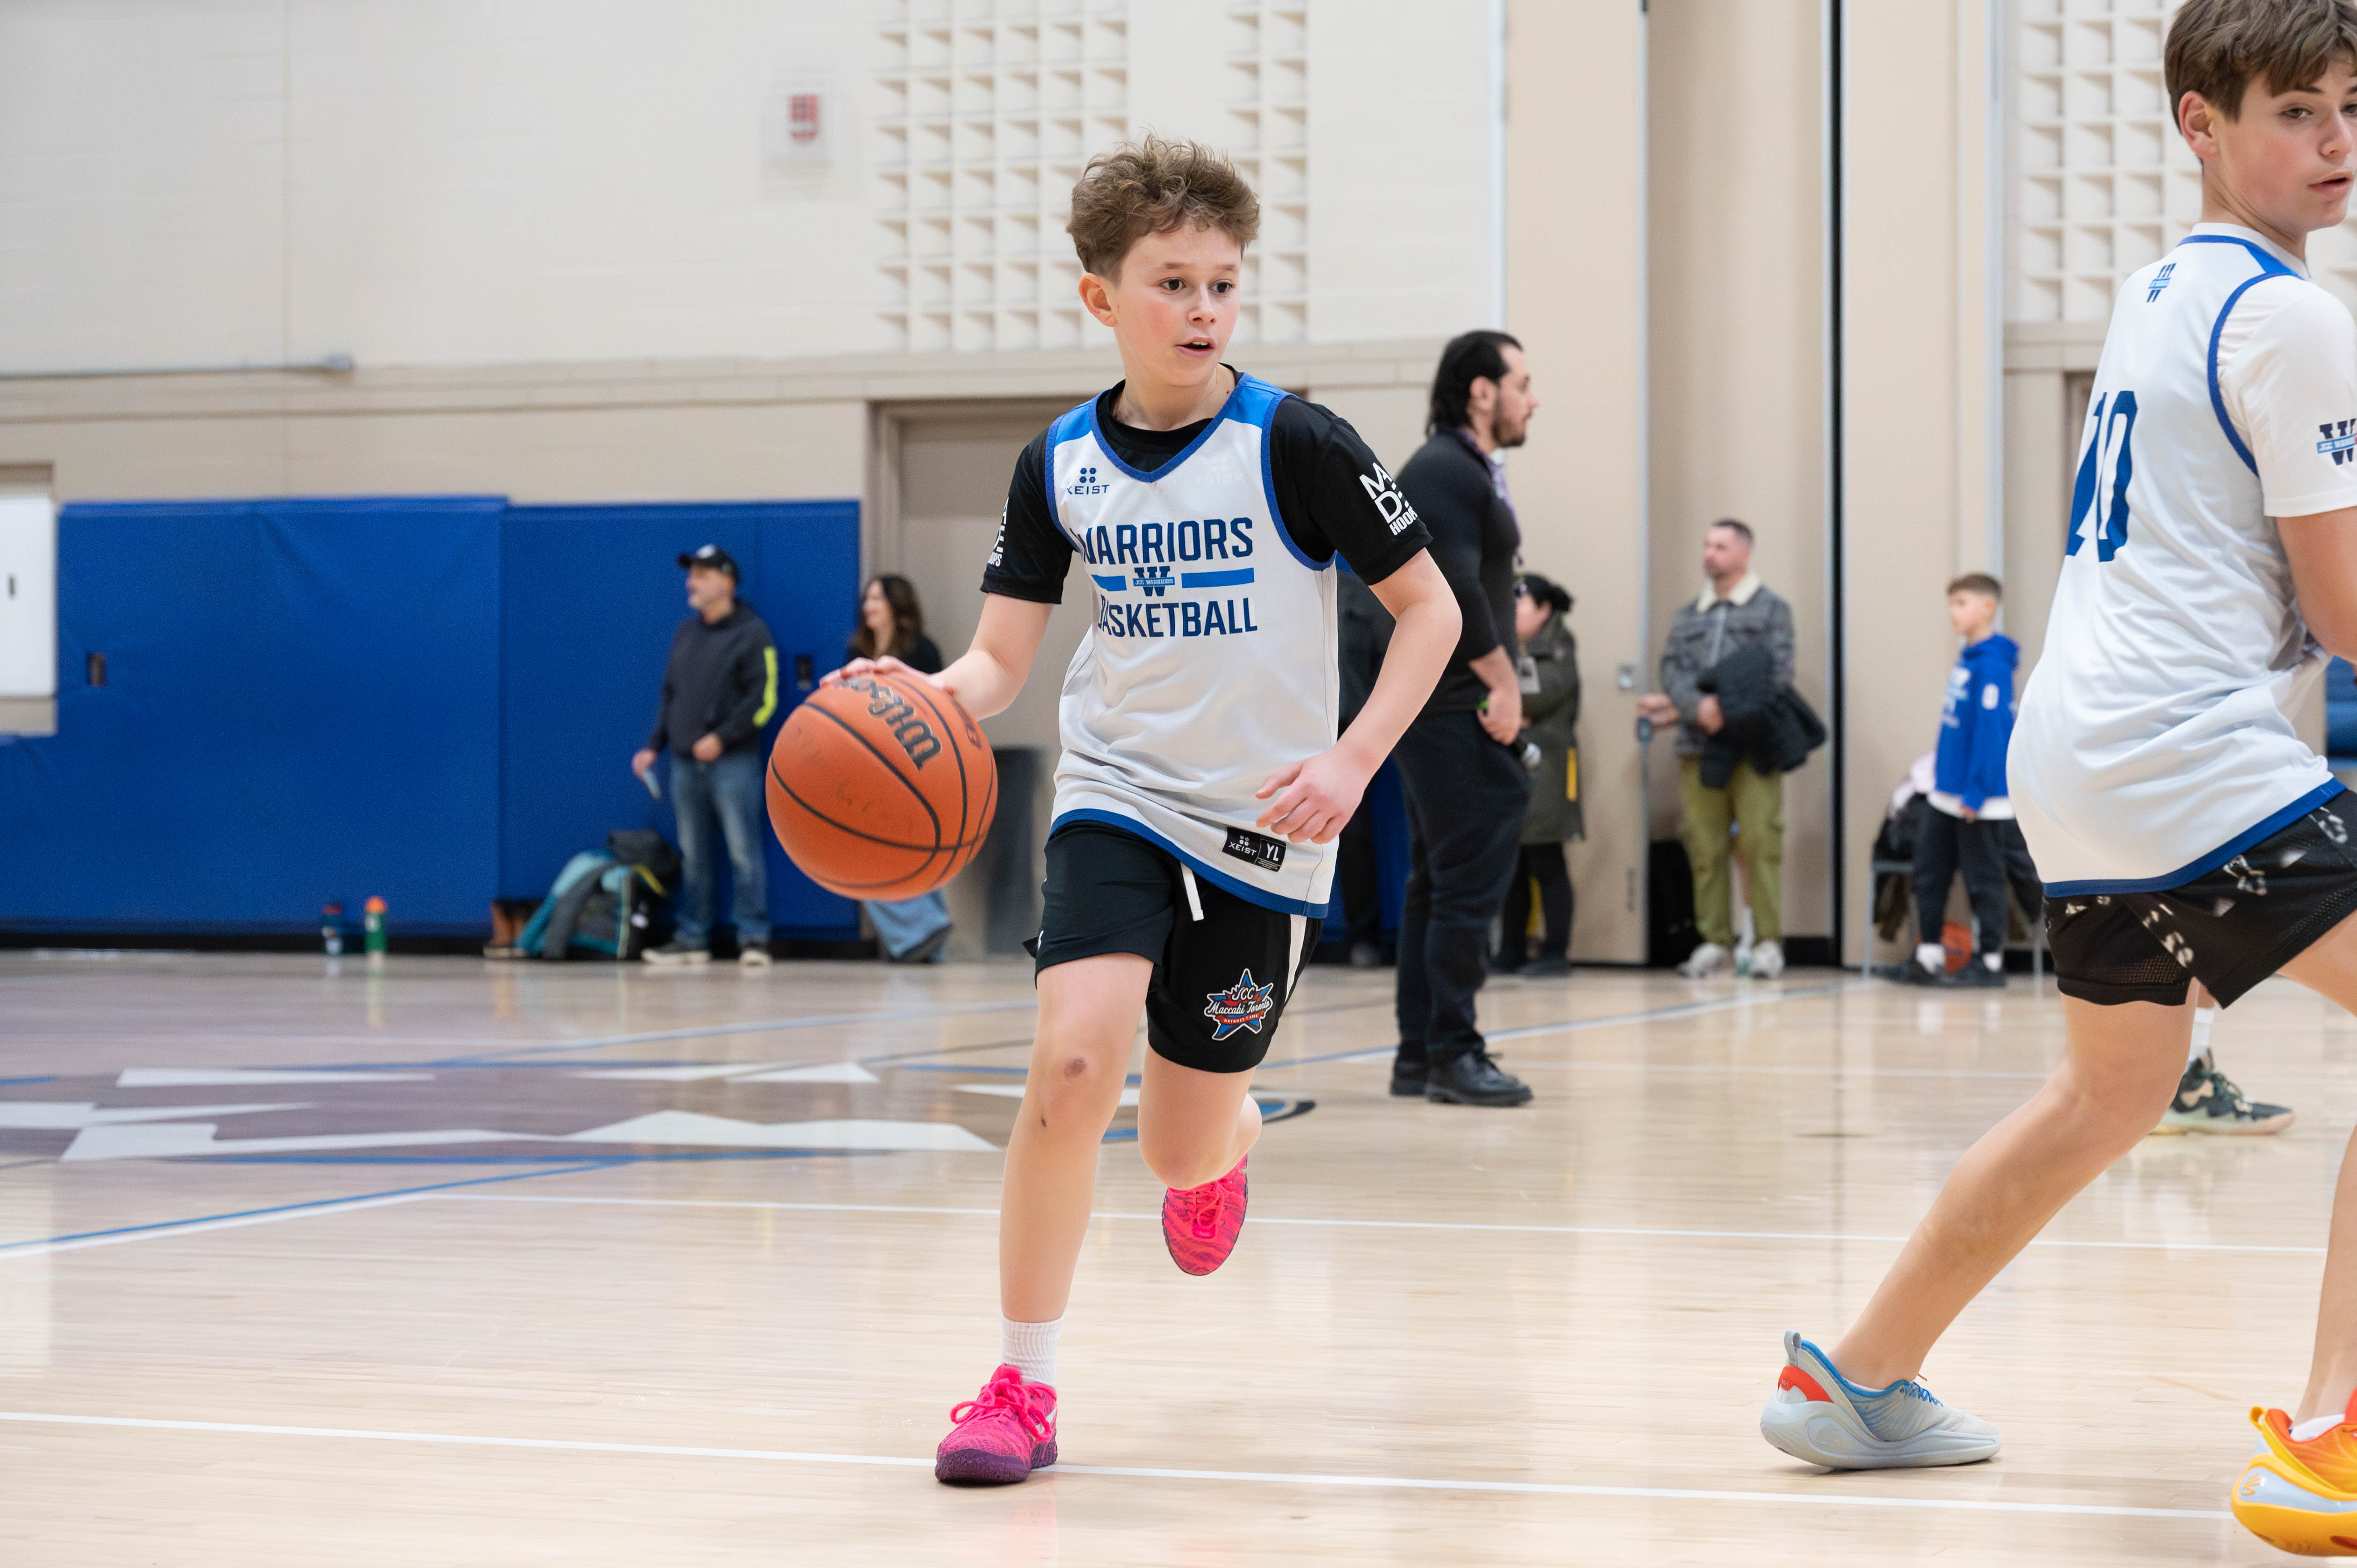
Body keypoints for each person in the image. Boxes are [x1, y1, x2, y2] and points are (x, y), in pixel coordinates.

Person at [1759, 10, 2357, 1552]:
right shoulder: (2294, 318)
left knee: (2108, 1092)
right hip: (2178, 746)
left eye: (2349, 107)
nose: (2334, 141)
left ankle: (1854, 1379)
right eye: (2295, 110)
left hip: (2073, 756)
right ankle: (2332, 1439)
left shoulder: (2159, 289)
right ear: (2195, 124)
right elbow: (2345, 611)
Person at [830, 137, 1459, 1487]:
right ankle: (1019, 1384)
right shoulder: (1057, 461)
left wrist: (1351, 763)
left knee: (1176, 1144)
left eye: (1221, 284)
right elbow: (1000, 662)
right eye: (1169, 282)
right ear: (1097, 297)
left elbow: (1430, 612)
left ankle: (1222, 1139)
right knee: (1070, 1062)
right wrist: (921, 695)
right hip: (1116, 793)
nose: (1200, 310)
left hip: (1270, 822)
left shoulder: (1296, 441)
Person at [1384, 331, 1541, 1109]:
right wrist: (1502, 683)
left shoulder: (1459, 469)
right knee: (1465, 887)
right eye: (1521, 383)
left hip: (1440, 704)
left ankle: (1421, 1053)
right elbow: (1449, 582)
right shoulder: (1444, 468)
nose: (1531, 399)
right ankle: (1452, 1049)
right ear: (1480, 391)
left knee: (1436, 884)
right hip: (1453, 703)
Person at [1637, 520, 1797, 980]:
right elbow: (1673, 669)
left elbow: (1778, 672)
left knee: (1760, 841)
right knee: (1704, 845)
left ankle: (1767, 942)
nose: (1710, 554)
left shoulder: (1771, 610)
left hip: (1753, 746)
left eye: (1720, 546)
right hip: (1698, 745)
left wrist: (1724, 707)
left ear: (1744, 554)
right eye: (1706, 545)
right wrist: (1696, 707)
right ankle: (1713, 941)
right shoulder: (1690, 614)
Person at [632, 544, 777, 968]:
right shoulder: (686, 634)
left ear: (726, 581)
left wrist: (723, 738)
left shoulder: (753, 633)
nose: (690, 582)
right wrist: (652, 746)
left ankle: (754, 937)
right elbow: (670, 695)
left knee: (742, 850)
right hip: (683, 765)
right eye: (690, 573)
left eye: (701, 573)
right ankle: (693, 938)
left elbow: (763, 699)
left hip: (734, 764)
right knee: (693, 853)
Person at [1896, 573, 2027, 989]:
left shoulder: (1992, 665)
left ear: (1988, 608)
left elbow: (1991, 735)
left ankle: (1989, 963)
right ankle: (1929, 955)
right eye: (1952, 603)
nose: (1954, 612)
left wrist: (1975, 790)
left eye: (1963, 603)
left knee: (1983, 879)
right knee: (1929, 871)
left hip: (1979, 798)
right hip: (1945, 792)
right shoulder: (1967, 659)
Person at [848, 574, 955, 964]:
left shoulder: (923, 651)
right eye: (867, 599)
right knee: (865, 851)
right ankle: (924, 931)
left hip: (914, 766)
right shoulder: (856, 650)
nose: (868, 606)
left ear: (897, 604)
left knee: (920, 848)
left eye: (877, 598)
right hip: (869, 766)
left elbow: (940, 708)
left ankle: (925, 935)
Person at [1494, 573, 1581, 978]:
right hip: (1516, 763)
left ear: (1545, 610)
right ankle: (1511, 950)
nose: (1511, 612)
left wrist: (1503, 703)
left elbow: (1538, 697)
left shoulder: (1556, 647)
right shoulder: (1514, 646)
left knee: (1546, 859)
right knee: (1515, 864)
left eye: (1521, 605)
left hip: (1547, 767)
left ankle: (1555, 953)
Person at [1334, 567, 1397, 968]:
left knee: (1355, 839)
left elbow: (1391, 668)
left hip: (1349, 734)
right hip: (1288, 732)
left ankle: (1364, 933)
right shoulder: (1280, 589)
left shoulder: (1365, 597)